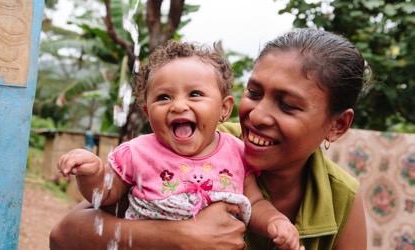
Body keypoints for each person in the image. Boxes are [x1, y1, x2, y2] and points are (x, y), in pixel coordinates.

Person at [50, 28, 368, 249]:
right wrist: (181, 238)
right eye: (254, 93)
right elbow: (64, 236)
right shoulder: (192, 147)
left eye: (288, 105)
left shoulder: (341, 199)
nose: (256, 116)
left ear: (337, 125)